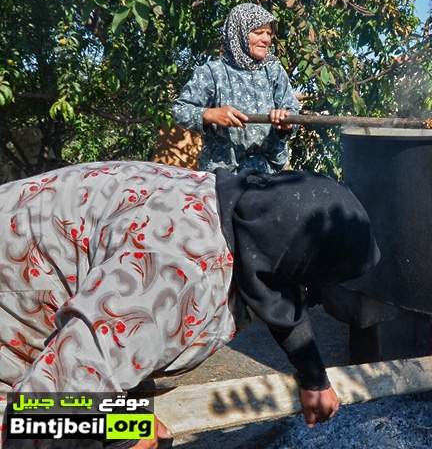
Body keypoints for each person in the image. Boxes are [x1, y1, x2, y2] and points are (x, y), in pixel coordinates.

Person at [0, 161, 380, 448]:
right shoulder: (181, 274)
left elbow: (273, 279)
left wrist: (313, 377)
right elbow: (46, 404)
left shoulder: (229, 204)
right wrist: (129, 429)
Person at [173, 3, 300, 174]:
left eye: (269, 33)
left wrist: (286, 120)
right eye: (258, 32)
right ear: (239, 32)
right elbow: (180, 110)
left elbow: (293, 112)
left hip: (269, 171)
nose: (266, 39)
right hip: (224, 173)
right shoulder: (212, 72)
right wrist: (210, 114)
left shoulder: (274, 70)